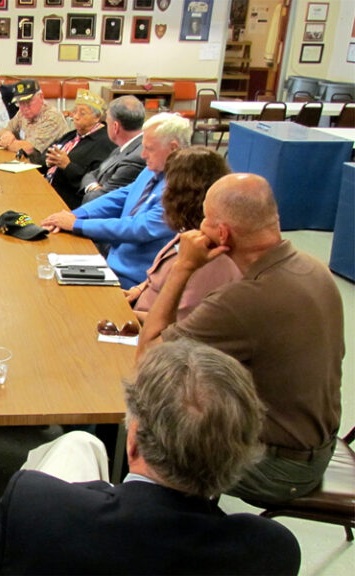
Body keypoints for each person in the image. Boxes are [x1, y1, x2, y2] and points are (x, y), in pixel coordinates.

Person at [0, 340, 301, 575]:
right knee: (82, 443)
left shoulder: (33, 503)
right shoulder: (272, 552)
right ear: (239, 456)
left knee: (78, 444)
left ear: (132, 440)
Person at [138, 173, 344, 504]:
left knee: (149, 439)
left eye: (204, 218)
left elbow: (148, 356)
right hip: (313, 444)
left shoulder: (247, 298)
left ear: (222, 233)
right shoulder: (313, 268)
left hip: (278, 468)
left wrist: (183, 269)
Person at [40, 112, 192, 288]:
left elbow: (137, 228)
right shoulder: (155, 168)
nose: (143, 155)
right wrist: (75, 215)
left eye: (149, 148)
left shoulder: (181, 187)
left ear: (173, 148)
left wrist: (76, 225)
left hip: (136, 281)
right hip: (113, 262)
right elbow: (122, 195)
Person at [126, 146, 240, 324]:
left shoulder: (208, 254)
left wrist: (123, 313)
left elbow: (176, 325)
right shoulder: (191, 232)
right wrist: (140, 289)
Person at [29, 89, 116, 210]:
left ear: (97, 117)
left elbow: (94, 182)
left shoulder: (105, 143)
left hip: (68, 203)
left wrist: (67, 166)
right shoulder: (72, 135)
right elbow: (43, 157)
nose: (75, 117)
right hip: (45, 189)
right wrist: (49, 161)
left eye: (82, 113)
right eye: (74, 112)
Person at [80, 95, 147, 205]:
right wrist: (94, 187)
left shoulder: (136, 159)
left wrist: (95, 189)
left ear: (115, 126)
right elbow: (91, 174)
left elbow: (101, 200)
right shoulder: (122, 147)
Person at [0, 79, 69, 157]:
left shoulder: (51, 116)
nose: (24, 108)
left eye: (28, 102)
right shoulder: (22, 112)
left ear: (41, 97)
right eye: (20, 103)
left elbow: (29, 148)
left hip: (49, 168)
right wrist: (7, 134)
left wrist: (3, 142)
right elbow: (5, 130)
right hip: (28, 162)